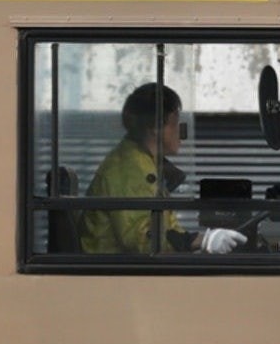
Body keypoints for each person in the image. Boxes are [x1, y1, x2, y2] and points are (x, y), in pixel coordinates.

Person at [80, 83, 247, 255]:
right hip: (113, 274)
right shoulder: (132, 169)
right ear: (155, 126)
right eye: (175, 122)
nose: (180, 132)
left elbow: (167, 229)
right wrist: (203, 240)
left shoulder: (146, 164)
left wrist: (197, 240)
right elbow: (144, 240)